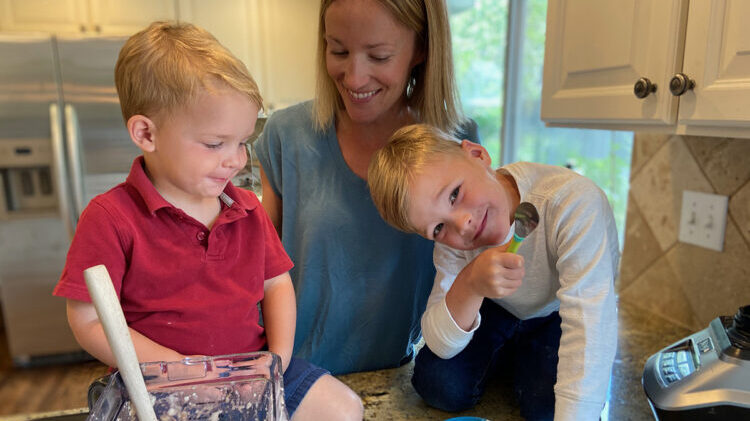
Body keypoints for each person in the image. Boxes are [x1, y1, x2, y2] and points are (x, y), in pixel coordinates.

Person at [52, 21, 363, 420]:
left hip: (252, 372)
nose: (236, 159)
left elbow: (277, 284)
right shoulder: (111, 218)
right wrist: (179, 372)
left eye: (242, 143)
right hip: (158, 388)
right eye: (216, 144)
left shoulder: (247, 207)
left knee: (344, 408)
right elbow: (88, 318)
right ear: (147, 133)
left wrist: (277, 362)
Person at [254, 0, 479, 375]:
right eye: (338, 50)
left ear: (421, 48)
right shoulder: (286, 135)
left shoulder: (456, 140)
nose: (354, 78)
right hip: (295, 376)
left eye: (379, 56)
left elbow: (473, 263)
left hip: (400, 377)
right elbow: (253, 269)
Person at [367, 124, 619, 420]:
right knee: (437, 382)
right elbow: (437, 342)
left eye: (454, 195)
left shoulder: (572, 203)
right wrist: (471, 283)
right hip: (497, 311)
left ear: (477, 154)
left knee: (550, 407)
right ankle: (512, 360)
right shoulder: (454, 243)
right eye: (438, 228)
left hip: (558, 316)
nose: (462, 225)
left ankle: (517, 361)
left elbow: (590, 328)